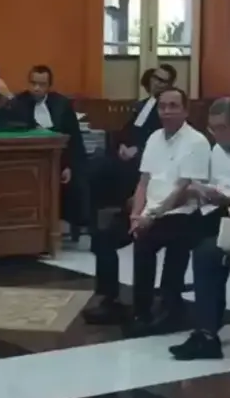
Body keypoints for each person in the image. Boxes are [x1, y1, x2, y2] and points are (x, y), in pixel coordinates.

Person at [83, 87, 210, 337]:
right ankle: (110, 299)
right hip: (148, 210)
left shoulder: (197, 142)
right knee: (103, 236)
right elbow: (143, 182)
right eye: (162, 106)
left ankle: (145, 311)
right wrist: (135, 215)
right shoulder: (154, 138)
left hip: (178, 212)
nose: (166, 111)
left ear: (185, 110)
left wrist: (150, 217)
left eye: (173, 106)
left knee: (145, 242)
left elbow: (184, 190)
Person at [170, 97, 230, 360]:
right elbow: (214, 183)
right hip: (217, 211)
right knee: (175, 229)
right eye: (212, 129)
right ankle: (183, 313)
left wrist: (225, 199)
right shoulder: (218, 150)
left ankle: (206, 330)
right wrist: (201, 190)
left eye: (222, 128)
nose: (216, 135)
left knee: (206, 251)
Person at [89, 64, 175, 218]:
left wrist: (137, 150)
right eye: (155, 78)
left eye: (162, 81)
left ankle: (119, 216)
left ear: (169, 85)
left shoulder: (167, 109)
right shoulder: (143, 104)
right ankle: (91, 219)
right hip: (127, 153)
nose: (157, 83)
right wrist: (122, 144)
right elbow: (127, 130)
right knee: (93, 165)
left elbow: (164, 139)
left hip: (145, 158)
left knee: (107, 169)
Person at [16, 65, 88, 229]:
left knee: (75, 182)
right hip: (28, 161)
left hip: (60, 161)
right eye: (33, 83)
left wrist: (68, 166)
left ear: (49, 86)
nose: (36, 88)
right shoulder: (19, 103)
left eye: (41, 84)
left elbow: (74, 139)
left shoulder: (62, 104)